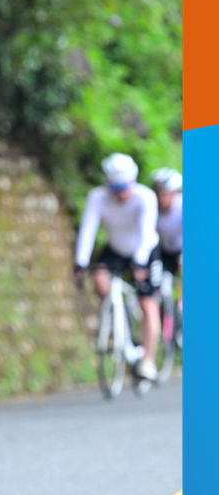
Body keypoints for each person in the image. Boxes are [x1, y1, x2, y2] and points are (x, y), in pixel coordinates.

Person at [72, 152, 161, 381]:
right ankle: (120, 318)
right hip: (115, 248)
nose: (121, 193)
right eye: (115, 188)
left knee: (148, 303)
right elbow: (88, 229)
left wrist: (140, 261)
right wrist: (80, 262)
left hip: (145, 249)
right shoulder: (97, 198)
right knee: (99, 279)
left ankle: (147, 361)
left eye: (124, 187)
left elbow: (146, 231)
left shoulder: (145, 197)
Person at [151, 167, 182, 285]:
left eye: (165, 194)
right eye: (158, 193)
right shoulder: (152, 206)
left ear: (174, 193)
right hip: (164, 250)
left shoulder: (182, 206)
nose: (161, 198)